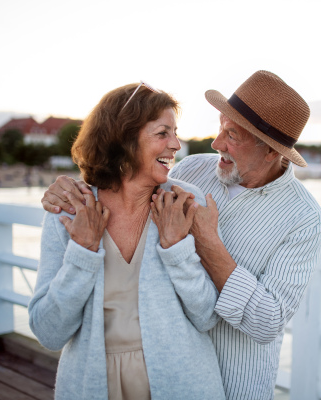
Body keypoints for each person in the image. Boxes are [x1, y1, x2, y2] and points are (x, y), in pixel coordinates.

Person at [41, 70, 321, 400]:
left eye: (232, 136)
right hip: (160, 370)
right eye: (221, 127)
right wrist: (67, 191)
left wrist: (207, 242)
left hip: (236, 381)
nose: (216, 142)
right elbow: (128, 181)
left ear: (271, 152)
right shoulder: (190, 172)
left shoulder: (305, 218)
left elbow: (267, 322)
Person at [29, 82, 225, 399]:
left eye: (175, 133)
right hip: (92, 385)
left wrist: (177, 250)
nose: (176, 144)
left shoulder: (183, 203)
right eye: (163, 133)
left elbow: (207, 317)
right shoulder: (69, 208)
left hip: (182, 383)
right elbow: (48, 332)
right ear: (124, 136)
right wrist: (83, 252)